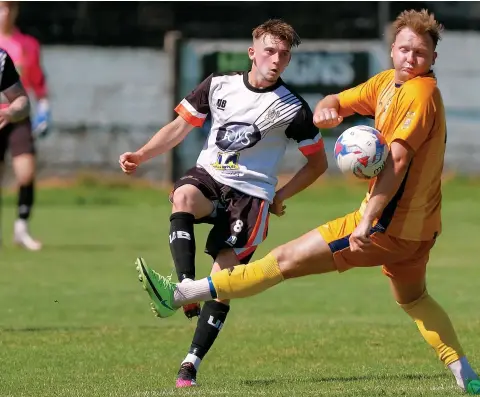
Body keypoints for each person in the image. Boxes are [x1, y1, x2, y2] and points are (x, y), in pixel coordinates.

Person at [135, 9, 480, 395]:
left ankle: (179, 294)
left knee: (283, 261)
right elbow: (339, 101)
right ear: (392, 50)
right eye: (405, 49)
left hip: (384, 227)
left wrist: (366, 220)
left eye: (420, 54)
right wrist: (330, 108)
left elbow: (397, 161)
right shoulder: (388, 83)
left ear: (432, 60)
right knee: (416, 298)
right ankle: (467, 376)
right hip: (420, 231)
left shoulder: (420, 94)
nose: (411, 58)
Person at [120, 19, 328, 388]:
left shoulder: (293, 109)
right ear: (252, 53)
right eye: (269, 50)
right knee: (183, 196)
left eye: (283, 54)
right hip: (210, 177)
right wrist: (141, 154)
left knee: (223, 279)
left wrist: (281, 195)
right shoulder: (219, 85)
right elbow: (179, 127)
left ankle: (191, 362)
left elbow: (318, 163)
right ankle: (185, 289)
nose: (276, 59)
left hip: (251, 199)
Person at [0, 1, 51, 251]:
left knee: (26, 172)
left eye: (10, 8)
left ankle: (21, 228)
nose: (5, 13)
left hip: (17, 116)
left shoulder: (27, 44)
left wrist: (44, 108)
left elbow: (37, 80)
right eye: (1, 7)